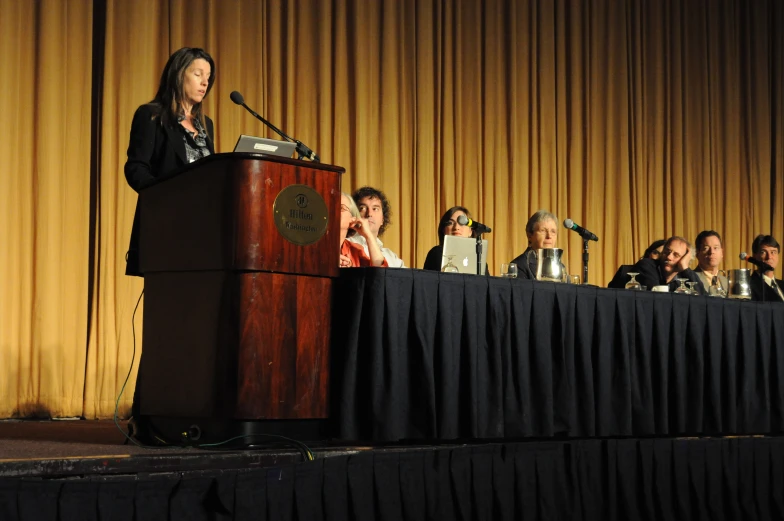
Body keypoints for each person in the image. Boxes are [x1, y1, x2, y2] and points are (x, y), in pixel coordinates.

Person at [124, 47, 216, 276]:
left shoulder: (206, 125)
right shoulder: (152, 116)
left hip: (204, 231)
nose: (205, 82)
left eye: (208, 77)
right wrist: (165, 197)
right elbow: (136, 168)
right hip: (167, 227)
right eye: (198, 74)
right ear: (178, 74)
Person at [347, 186, 406, 267]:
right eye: (362, 208)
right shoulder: (343, 246)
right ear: (353, 214)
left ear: (382, 219)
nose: (369, 214)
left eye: (375, 209)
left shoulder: (392, 258)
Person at [631, 236, 705, 294]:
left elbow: (702, 297)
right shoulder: (647, 265)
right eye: (667, 252)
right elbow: (657, 293)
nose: (669, 257)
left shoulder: (685, 275)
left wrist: (685, 268)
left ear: (684, 260)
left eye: (676, 255)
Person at [509, 210, 566, 280]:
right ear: (530, 235)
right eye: (543, 230)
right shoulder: (518, 265)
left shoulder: (560, 267)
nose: (549, 236)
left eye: (553, 231)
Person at [339, 193, 388, 267]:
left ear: (353, 218)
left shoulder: (356, 251)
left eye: (341, 208)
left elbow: (380, 273)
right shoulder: (315, 244)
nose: (333, 211)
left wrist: (368, 236)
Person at [423, 206, 476, 271]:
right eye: (451, 223)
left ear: (470, 231)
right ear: (443, 229)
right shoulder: (436, 253)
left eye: (462, 223)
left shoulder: (477, 259)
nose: (456, 227)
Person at [749, 234, 784, 302]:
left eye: (773, 252)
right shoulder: (749, 285)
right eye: (763, 252)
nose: (769, 257)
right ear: (755, 256)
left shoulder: (782, 284)